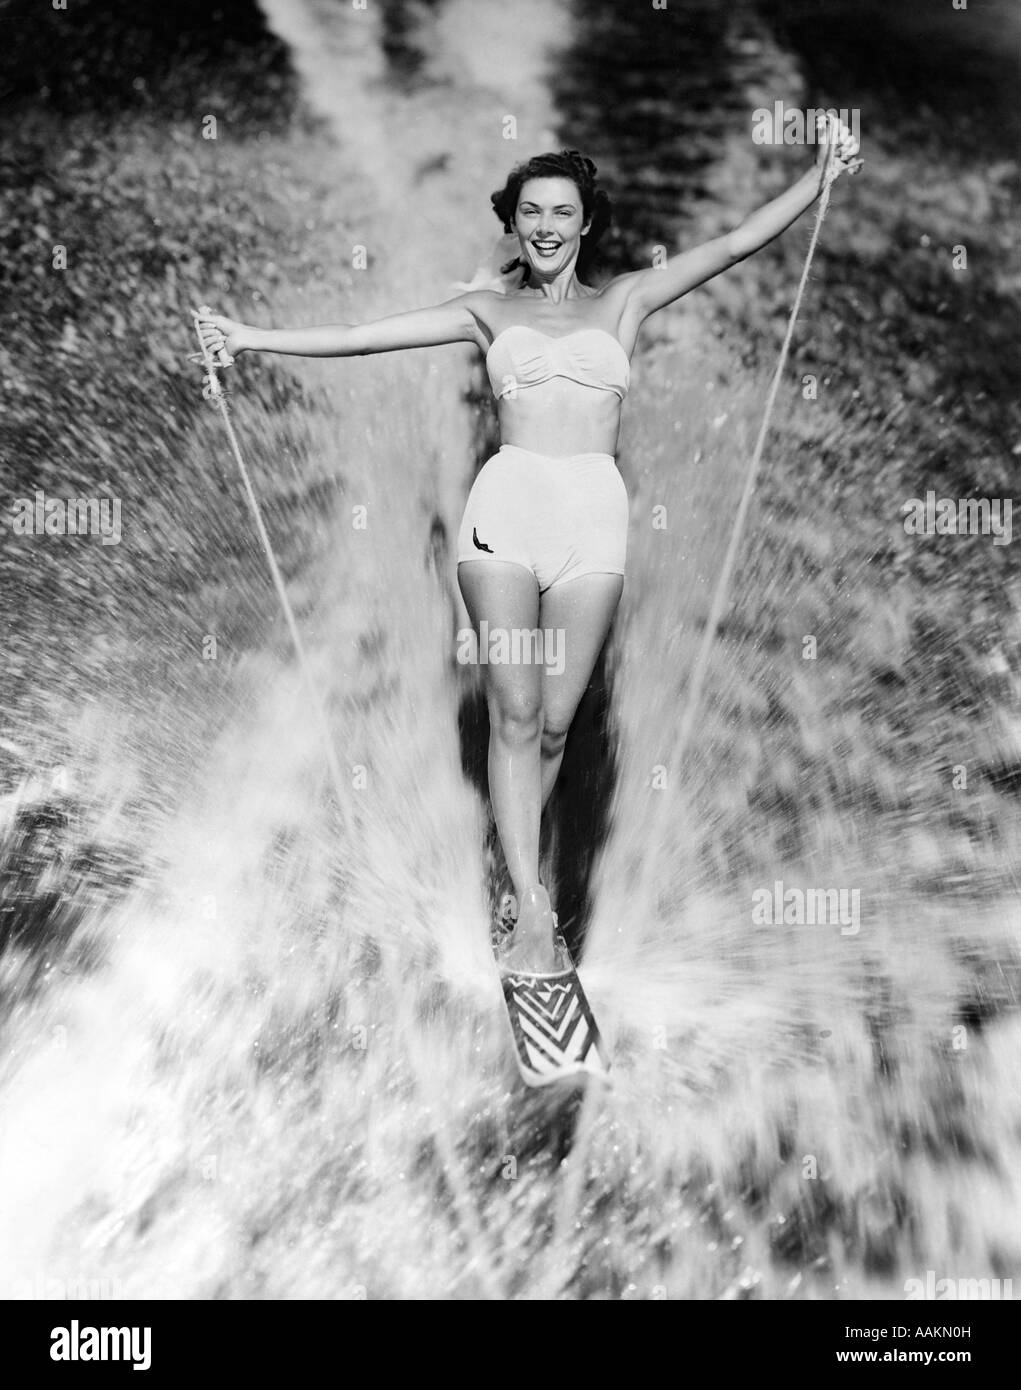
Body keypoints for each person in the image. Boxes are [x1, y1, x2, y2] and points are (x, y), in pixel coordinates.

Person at [197, 124, 861, 973]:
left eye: (563, 211)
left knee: (552, 725)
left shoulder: (625, 300)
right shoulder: (487, 311)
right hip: (503, 521)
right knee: (512, 713)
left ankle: (510, 876)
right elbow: (364, 335)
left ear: (586, 225)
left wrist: (815, 178)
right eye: (531, 211)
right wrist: (252, 338)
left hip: (592, 526)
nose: (546, 224)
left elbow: (733, 243)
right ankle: (532, 907)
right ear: (514, 223)